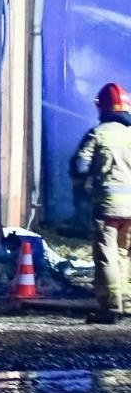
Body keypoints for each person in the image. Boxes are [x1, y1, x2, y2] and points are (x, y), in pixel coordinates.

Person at [70, 82, 131, 323]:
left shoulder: (99, 133)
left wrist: (81, 186)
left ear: (102, 106)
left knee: (107, 255)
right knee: (124, 254)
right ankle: (125, 302)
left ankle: (110, 307)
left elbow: (80, 166)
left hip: (107, 207)